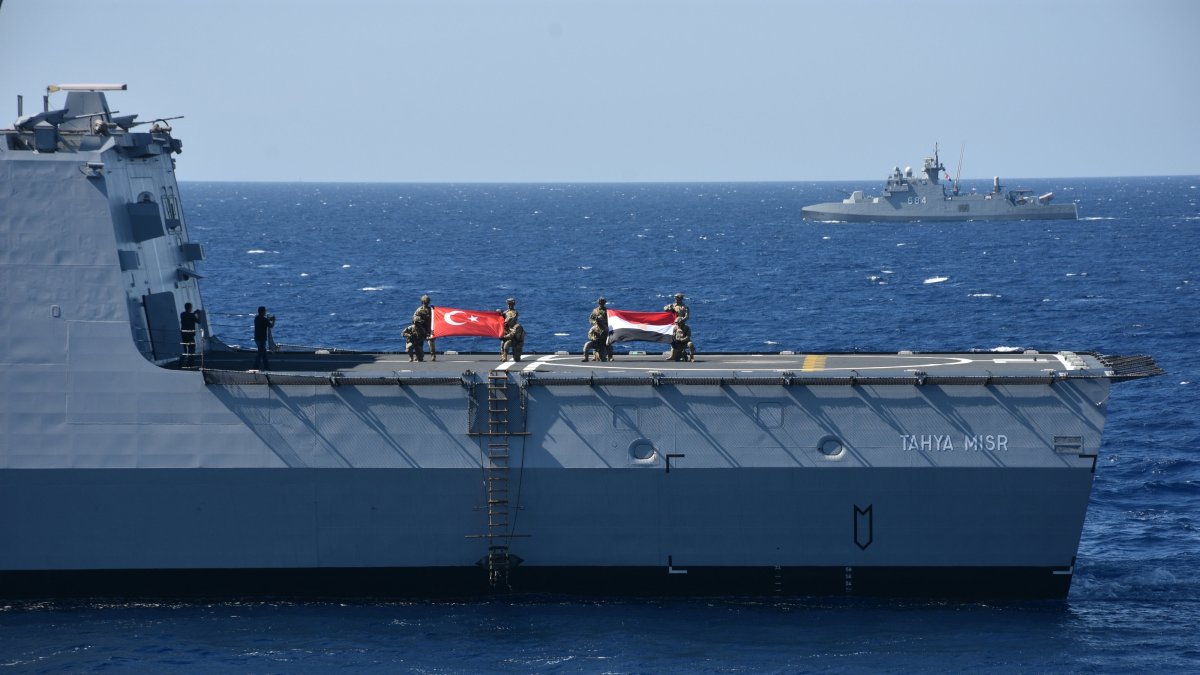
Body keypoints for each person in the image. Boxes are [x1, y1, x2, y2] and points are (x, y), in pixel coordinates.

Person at [588, 296, 613, 361]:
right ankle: (594, 355)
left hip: (605, 327)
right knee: (595, 340)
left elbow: (610, 319)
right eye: (600, 302)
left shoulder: (607, 311)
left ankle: (610, 356)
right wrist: (594, 323)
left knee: (607, 342)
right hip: (597, 327)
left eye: (602, 302)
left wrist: (606, 324)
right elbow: (591, 319)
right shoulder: (595, 311)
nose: (601, 303)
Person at [413, 294, 436, 361]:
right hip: (421, 329)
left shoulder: (431, 309)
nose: (426, 303)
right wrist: (419, 319)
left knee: (431, 344)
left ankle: (433, 356)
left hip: (429, 329)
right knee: (419, 343)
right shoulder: (419, 310)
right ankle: (418, 356)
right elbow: (414, 318)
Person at [252, 306, 275, 371]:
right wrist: (274, 320)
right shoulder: (264, 320)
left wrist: (270, 319)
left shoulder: (256, 318)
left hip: (257, 338)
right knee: (260, 354)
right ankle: (255, 368)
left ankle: (267, 367)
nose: (265, 312)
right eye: (265, 311)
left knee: (263, 354)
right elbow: (271, 326)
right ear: (263, 312)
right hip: (262, 339)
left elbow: (265, 320)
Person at [179, 302, 200, 368]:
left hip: (183, 334)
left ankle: (180, 363)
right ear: (189, 307)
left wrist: (193, 313)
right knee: (191, 349)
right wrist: (198, 314)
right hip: (190, 335)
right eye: (191, 307)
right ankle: (190, 364)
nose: (191, 308)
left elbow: (188, 316)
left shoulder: (182, 314)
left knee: (184, 350)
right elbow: (198, 321)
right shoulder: (192, 315)